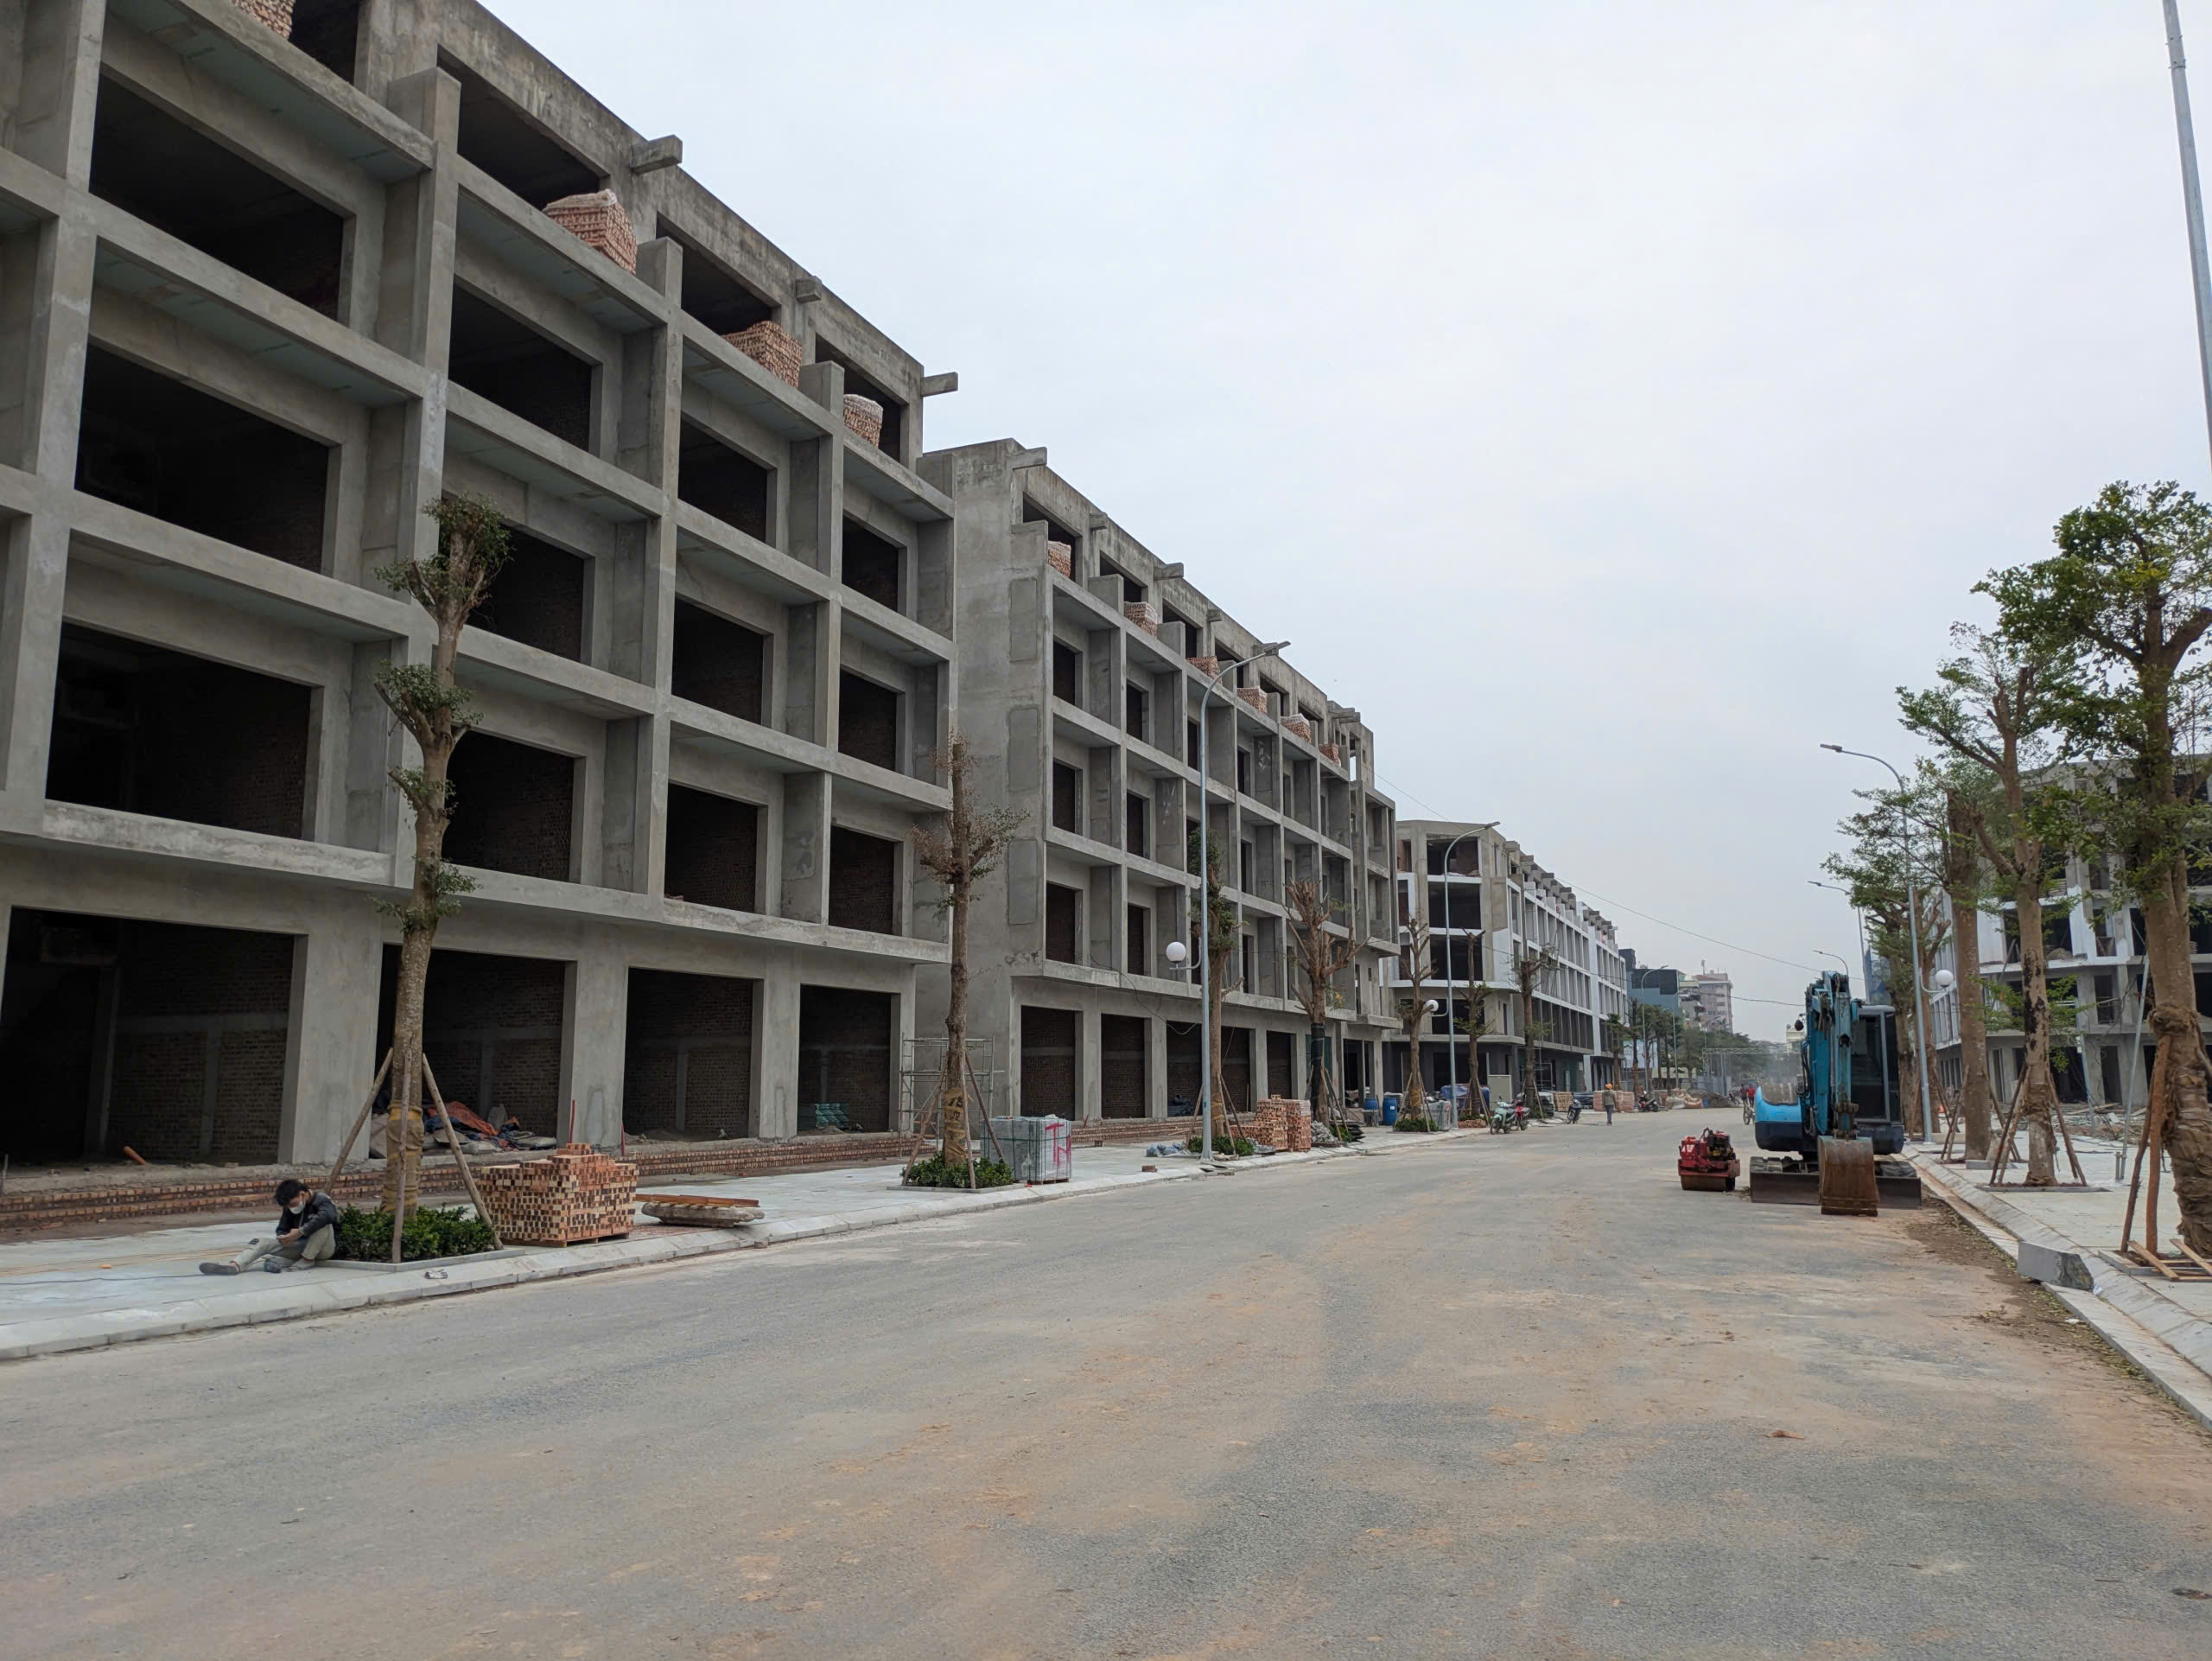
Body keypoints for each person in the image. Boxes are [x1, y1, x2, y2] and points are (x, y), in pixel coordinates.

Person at [200, 1179, 340, 1275]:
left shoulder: (322, 1200)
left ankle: (307, 1260)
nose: (290, 1208)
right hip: (300, 1247)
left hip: (323, 1249)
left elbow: (329, 1216)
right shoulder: (289, 1208)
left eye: (291, 1204)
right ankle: (234, 1266)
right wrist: (284, 1237)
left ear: (302, 1195)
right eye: (287, 1206)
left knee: (323, 1223)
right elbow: (282, 1228)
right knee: (261, 1242)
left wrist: (300, 1232)